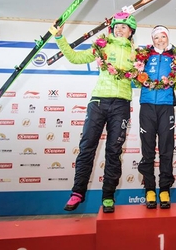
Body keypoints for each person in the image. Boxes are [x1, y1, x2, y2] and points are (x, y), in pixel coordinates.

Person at [53, 12, 137, 213]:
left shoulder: (137, 54)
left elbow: (144, 76)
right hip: (98, 101)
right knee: (87, 147)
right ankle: (77, 193)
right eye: (116, 26)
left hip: (121, 105)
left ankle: (108, 196)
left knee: (114, 152)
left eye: (124, 26)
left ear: (131, 31)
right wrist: (59, 37)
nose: (119, 29)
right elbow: (74, 57)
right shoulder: (102, 45)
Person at [135, 25, 176, 209]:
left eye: (163, 37)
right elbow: (133, 74)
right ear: (152, 40)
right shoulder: (144, 56)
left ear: (168, 38)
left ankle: (165, 188)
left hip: (166, 106)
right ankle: (150, 189)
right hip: (147, 105)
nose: (160, 40)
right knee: (148, 149)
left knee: (166, 149)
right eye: (156, 38)